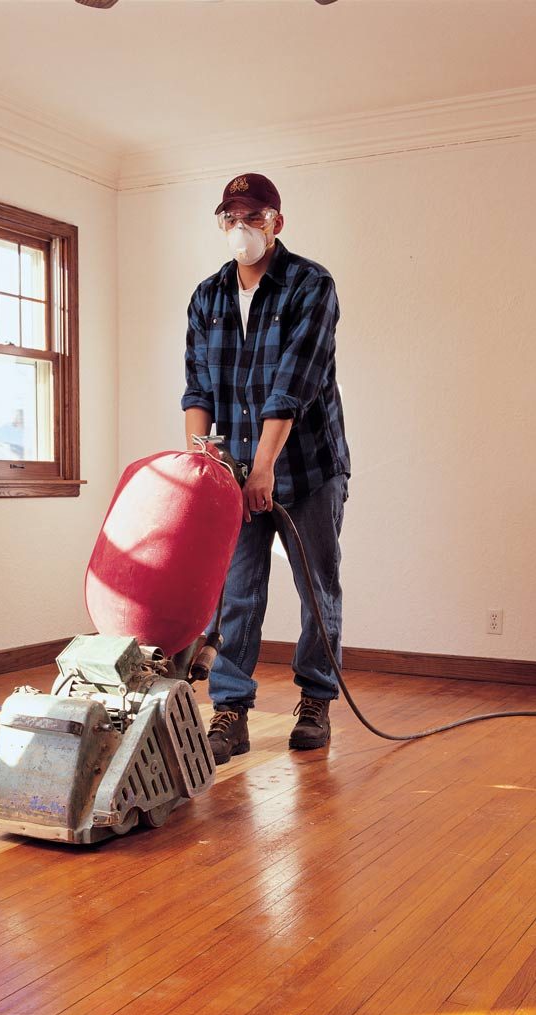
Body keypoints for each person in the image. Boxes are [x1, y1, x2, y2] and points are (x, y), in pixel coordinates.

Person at [181, 172, 351, 765]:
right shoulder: (207, 297)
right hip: (232, 471)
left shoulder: (311, 285)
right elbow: (198, 388)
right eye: (230, 217)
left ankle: (316, 701)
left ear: (277, 222)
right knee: (238, 592)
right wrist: (202, 467)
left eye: (253, 216)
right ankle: (230, 711)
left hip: (306, 469)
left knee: (315, 588)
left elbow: (294, 384)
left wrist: (265, 468)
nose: (241, 228)